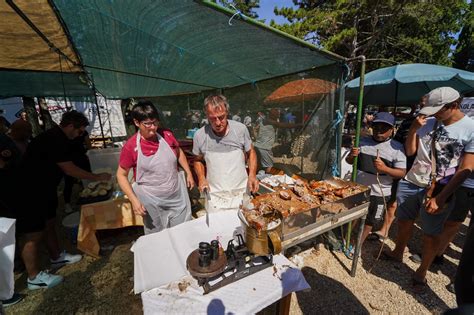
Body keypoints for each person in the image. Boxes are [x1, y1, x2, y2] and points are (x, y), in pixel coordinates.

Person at [383, 87, 474, 292]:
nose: (433, 114)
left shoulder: (470, 128)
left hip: (438, 188)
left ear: (454, 106)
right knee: (404, 220)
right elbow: (410, 151)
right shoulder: (428, 122)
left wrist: (441, 198)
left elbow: (466, 168)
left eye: (438, 109)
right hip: (411, 180)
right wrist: (414, 130)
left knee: (431, 233)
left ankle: (422, 271)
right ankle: (398, 252)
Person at [21, 110, 111, 289]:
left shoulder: (58, 137)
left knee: (49, 223)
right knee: (33, 234)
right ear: (70, 126)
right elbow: (69, 169)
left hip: (45, 187)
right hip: (30, 189)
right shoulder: (54, 138)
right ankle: (33, 277)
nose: (79, 135)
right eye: (79, 131)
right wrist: (96, 176)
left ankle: (56, 257)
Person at [117, 101, 194, 234]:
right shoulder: (131, 147)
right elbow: (121, 175)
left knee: (182, 232)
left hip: (175, 195)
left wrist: (189, 173)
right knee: (158, 236)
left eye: (155, 122)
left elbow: (179, 152)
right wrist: (134, 200)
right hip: (151, 201)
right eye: (147, 124)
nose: (153, 128)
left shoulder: (166, 135)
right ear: (137, 123)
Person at [345, 112, 406, 252]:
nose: (379, 131)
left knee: (370, 220)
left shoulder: (397, 148)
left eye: (384, 128)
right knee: (352, 215)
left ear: (392, 130)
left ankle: (358, 244)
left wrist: (385, 168)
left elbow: (401, 173)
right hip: (358, 188)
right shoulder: (362, 141)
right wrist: (351, 156)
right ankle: (347, 238)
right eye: (376, 127)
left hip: (380, 192)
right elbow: (349, 162)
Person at [193, 95, 259, 213]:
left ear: (227, 112)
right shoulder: (200, 135)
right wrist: (201, 178)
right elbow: (198, 160)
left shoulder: (240, 129)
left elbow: (251, 152)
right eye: (212, 118)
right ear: (206, 115)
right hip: (215, 196)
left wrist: (252, 175)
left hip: (241, 192)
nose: (218, 123)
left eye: (221, 117)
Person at [374, 95, 427, 240]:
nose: (421, 107)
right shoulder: (408, 122)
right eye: (420, 104)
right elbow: (396, 143)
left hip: (425, 171)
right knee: (393, 200)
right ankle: (384, 229)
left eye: (425, 104)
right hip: (404, 165)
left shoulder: (436, 124)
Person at [254, 108, 302, 173]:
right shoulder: (270, 121)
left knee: (259, 165)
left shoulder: (266, 120)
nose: (278, 116)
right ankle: (266, 178)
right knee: (269, 167)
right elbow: (284, 125)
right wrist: (298, 125)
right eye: (277, 115)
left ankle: (259, 177)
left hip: (258, 146)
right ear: (272, 115)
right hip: (265, 148)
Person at [63, 130, 92, 214]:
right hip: (69, 160)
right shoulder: (67, 132)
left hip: (82, 158)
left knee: (88, 177)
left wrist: (90, 153)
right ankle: (67, 203)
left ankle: (89, 197)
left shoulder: (84, 132)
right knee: (69, 182)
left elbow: (88, 143)